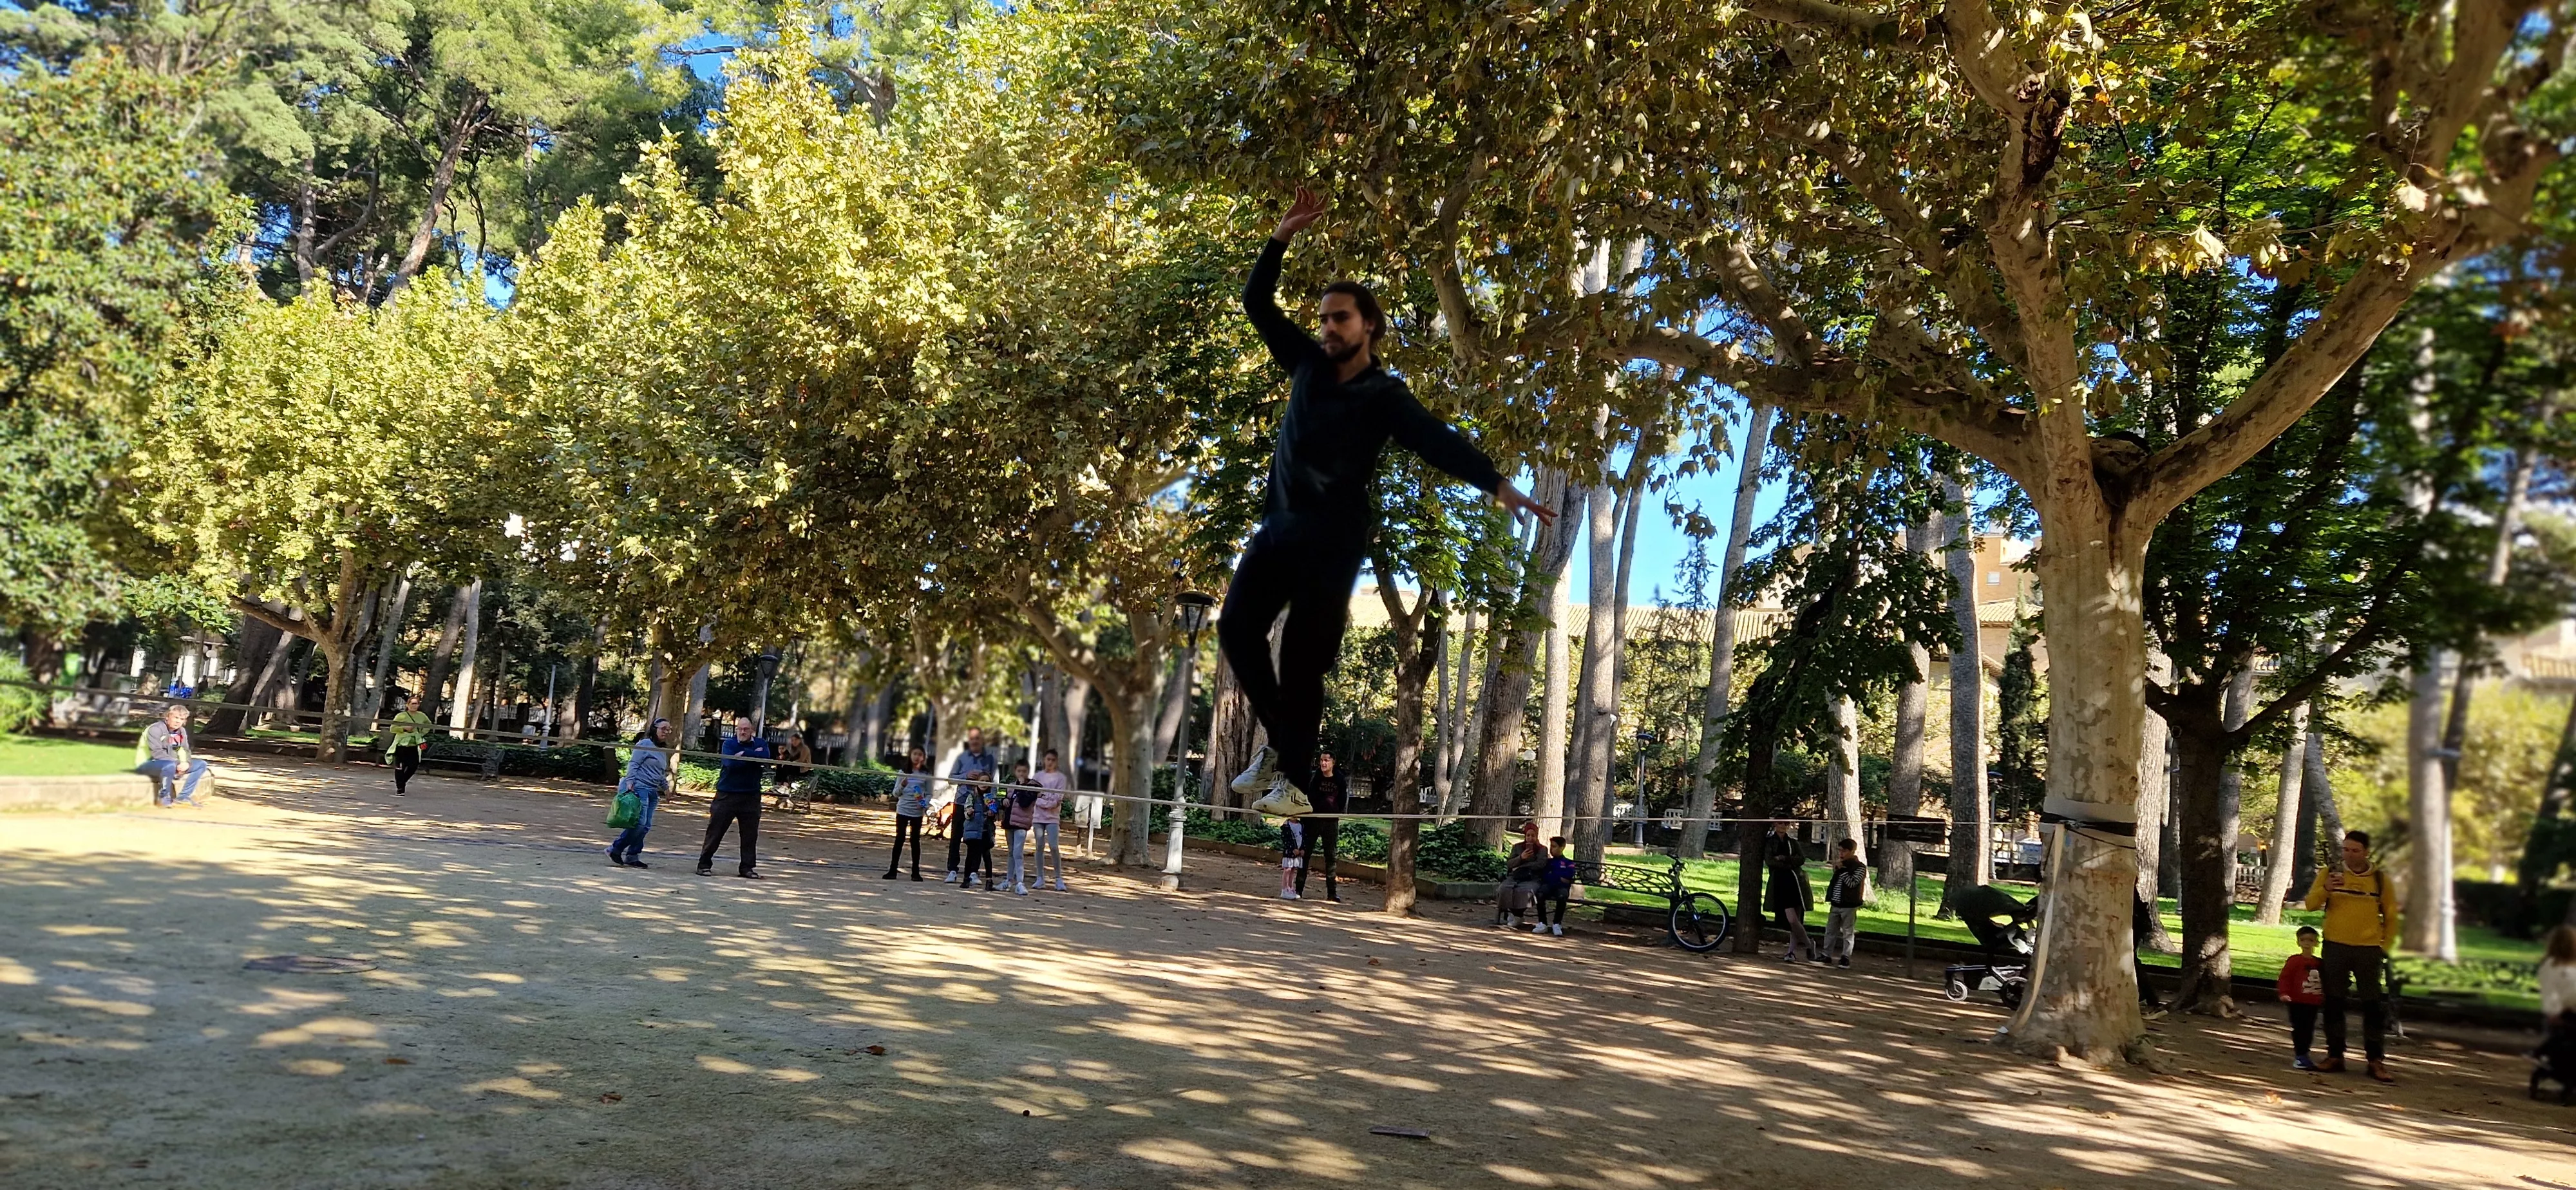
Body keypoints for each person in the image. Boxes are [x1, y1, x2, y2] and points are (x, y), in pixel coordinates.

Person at [1222, 185, 1552, 820]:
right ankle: (1279, 751)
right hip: (1278, 531)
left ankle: (1290, 777)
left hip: (1333, 542)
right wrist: (1280, 236)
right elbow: (1255, 303)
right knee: (1236, 628)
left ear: (1367, 325)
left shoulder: (1383, 395)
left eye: (1339, 318)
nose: (1326, 328)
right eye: (1321, 319)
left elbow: (1435, 441)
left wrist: (1498, 483)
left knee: (1301, 664)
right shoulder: (1305, 367)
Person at [2300, 829, 2401, 1082]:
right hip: (2335, 947)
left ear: (2366, 852)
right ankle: (2335, 1055)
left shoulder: (2380, 880)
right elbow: (2311, 904)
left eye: (2355, 850)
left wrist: (2384, 947)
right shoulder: (2331, 873)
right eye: (2346, 849)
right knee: (2334, 1002)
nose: (2350, 855)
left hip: (2368, 950)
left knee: (2372, 1005)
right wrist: (2326, 888)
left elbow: (2391, 917)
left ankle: (2375, 1060)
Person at [698, 715, 771, 879]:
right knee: (715, 832)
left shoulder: (762, 744)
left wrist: (744, 754)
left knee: (750, 835)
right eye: (740, 729)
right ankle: (704, 864)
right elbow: (730, 764)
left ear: (752, 731)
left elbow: (765, 759)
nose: (742, 732)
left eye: (746, 729)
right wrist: (752, 757)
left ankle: (747, 868)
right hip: (727, 795)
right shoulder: (729, 744)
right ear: (736, 729)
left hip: (751, 797)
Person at [607, 719, 676, 868]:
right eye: (663, 728)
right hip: (640, 787)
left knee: (645, 826)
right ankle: (615, 848)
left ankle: (633, 856)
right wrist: (630, 782)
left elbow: (659, 773)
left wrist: (666, 789)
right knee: (639, 824)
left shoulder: (662, 750)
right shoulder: (645, 744)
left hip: (652, 791)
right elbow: (634, 764)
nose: (666, 732)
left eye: (669, 730)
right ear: (654, 729)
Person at [943, 728, 996, 882]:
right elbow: (951, 779)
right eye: (972, 738)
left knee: (977, 839)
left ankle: (973, 872)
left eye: (978, 738)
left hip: (981, 804)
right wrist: (965, 776)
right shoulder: (961, 758)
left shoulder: (990, 759)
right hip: (961, 802)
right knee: (956, 837)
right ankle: (952, 870)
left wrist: (991, 804)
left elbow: (993, 783)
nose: (975, 742)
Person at [1764, 821, 1821, 964]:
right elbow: (1770, 861)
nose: (1783, 826)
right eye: (1780, 823)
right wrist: (1786, 862)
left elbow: (1800, 859)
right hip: (1781, 883)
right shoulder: (1770, 842)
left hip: (1796, 882)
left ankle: (1791, 951)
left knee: (1797, 918)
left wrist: (1785, 859)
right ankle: (1809, 944)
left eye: (1786, 824)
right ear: (1775, 824)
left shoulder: (1793, 843)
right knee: (1792, 920)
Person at [1298, 751, 1348, 901]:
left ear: (1333, 762)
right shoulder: (1314, 777)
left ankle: (1332, 893)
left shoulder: (1340, 779)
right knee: (1305, 855)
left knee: (1331, 857)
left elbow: (1342, 799)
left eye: (1326, 760)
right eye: (1321, 760)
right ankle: (1298, 890)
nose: (1323, 763)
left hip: (1330, 823)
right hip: (1312, 821)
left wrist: (1335, 812)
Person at [138, 703, 208, 808]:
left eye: (182, 719)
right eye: (175, 717)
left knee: (201, 764)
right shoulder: (155, 729)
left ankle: (183, 797)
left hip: (171, 764)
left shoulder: (181, 732)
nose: (178, 721)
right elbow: (156, 753)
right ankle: (164, 798)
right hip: (148, 763)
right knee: (169, 765)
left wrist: (186, 763)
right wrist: (176, 763)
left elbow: (185, 750)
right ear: (167, 717)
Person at [2280, 925, 2326, 1071]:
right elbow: (2285, 978)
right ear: (2298, 942)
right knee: (2299, 1029)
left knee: (2309, 1028)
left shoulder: (2320, 964)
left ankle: (2304, 1054)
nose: (2307, 943)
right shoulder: (2294, 961)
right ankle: (2300, 1056)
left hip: (2313, 1002)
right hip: (2296, 1001)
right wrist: (2284, 993)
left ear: (2316, 943)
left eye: (2311, 940)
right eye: (2303, 940)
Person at [884, 746, 932, 880]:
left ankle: (915, 872)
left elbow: (929, 793)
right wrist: (903, 785)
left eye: (920, 754)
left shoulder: (927, 775)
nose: (917, 757)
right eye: (915, 754)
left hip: (917, 812)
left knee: (915, 841)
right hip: (903, 809)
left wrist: (923, 804)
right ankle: (893, 870)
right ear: (910, 756)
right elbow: (895, 793)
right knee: (899, 839)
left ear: (923, 758)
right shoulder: (903, 772)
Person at [1823, 838, 1868, 968]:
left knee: (1848, 932)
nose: (1841, 854)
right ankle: (1826, 955)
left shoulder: (1859, 867)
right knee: (1830, 931)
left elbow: (1852, 883)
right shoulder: (1840, 866)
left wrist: (1843, 871)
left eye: (1844, 851)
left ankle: (1845, 957)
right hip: (1836, 903)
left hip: (1849, 905)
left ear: (1851, 852)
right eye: (1840, 851)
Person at [1029, 749, 1069, 892]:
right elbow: (1034, 796)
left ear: (1056, 762)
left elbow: (1057, 799)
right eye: (1048, 759)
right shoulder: (1037, 776)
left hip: (1053, 818)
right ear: (1044, 760)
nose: (1050, 762)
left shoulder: (1061, 778)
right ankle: (1040, 877)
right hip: (1038, 817)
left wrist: (1044, 799)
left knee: (1054, 846)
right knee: (1039, 846)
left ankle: (1058, 878)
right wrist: (1045, 799)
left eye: (1053, 760)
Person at [1497, 820, 1548, 929]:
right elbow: (1510, 863)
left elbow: (1540, 864)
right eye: (1528, 835)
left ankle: (1517, 915)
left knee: (1525, 891)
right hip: (1516, 875)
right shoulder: (1517, 847)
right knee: (1504, 889)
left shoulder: (1542, 849)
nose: (1530, 838)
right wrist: (1521, 858)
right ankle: (1516, 915)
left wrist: (1524, 865)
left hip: (1533, 877)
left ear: (1537, 836)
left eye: (1533, 836)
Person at [386, 695, 433, 797]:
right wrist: (404, 728)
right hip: (401, 745)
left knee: (413, 766)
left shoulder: (422, 716)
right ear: (408, 705)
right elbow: (393, 728)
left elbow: (428, 725)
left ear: (419, 705)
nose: (414, 706)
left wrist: (421, 734)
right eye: (412, 704)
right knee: (400, 768)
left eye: (416, 704)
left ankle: (402, 782)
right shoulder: (401, 716)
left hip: (413, 745)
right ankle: (400, 788)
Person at [1003, 766, 1039, 896]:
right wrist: (1004, 800)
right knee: (1011, 852)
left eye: (1024, 771)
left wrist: (1023, 787)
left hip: (1022, 824)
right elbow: (1003, 798)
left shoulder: (1033, 787)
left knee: (1018, 853)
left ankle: (1020, 882)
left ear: (1028, 772)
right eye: (1019, 771)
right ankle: (1008, 880)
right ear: (1015, 772)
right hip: (1009, 822)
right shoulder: (1011, 786)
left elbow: (1024, 803)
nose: (1021, 774)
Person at [956, 780, 998, 891]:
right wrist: (969, 812)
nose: (984, 783)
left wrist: (992, 814)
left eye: (986, 781)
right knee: (970, 855)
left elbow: (995, 814)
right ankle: (966, 879)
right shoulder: (972, 796)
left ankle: (989, 880)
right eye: (981, 781)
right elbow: (967, 811)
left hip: (986, 831)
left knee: (987, 856)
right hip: (973, 831)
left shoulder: (991, 797)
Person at [1535, 836, 1577, 937]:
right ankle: (1543, 923)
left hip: (1562, 888)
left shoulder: (1569, 863)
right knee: (1540, 894)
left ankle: (1557, 924)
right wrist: (1559, 877)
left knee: (1562, 897)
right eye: (1551, 846)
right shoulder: (1548, 862)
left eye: (1554, 846)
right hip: (1549, 885)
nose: (1551, 849)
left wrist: (1554, 875)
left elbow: (1568, 876)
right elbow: (1544, 875)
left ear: (1562, 847)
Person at [2134, 891, 2168, 1017]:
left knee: (2131, 961)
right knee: (2132, 961)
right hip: (2135, 922)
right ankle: (2146, 998)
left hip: (2133, 922)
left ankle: (2151, 1001)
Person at [771, 729, 813, 811]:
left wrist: (790, 763)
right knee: (780, 766)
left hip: (803, 769)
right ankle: (780, 782)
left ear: (799, 740)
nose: (794, 742)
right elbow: (790, 758)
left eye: (795, 740)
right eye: (792, 740)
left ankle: (785, 783)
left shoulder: (805, 748)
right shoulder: (793, 749)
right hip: (794, 766)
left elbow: (801, 760)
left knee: (787, 767)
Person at [1278, 816, 1306, 901]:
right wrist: (1292, 848)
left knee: (1293, 870)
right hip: (1290, 852)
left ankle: (1291, 888)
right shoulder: (1287, 826)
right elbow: (1286, 839)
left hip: (1298, 852)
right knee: (1288, 869)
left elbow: (1303, 837)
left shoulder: (1301, 825)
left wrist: (1303, 849)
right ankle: (1284, 889)